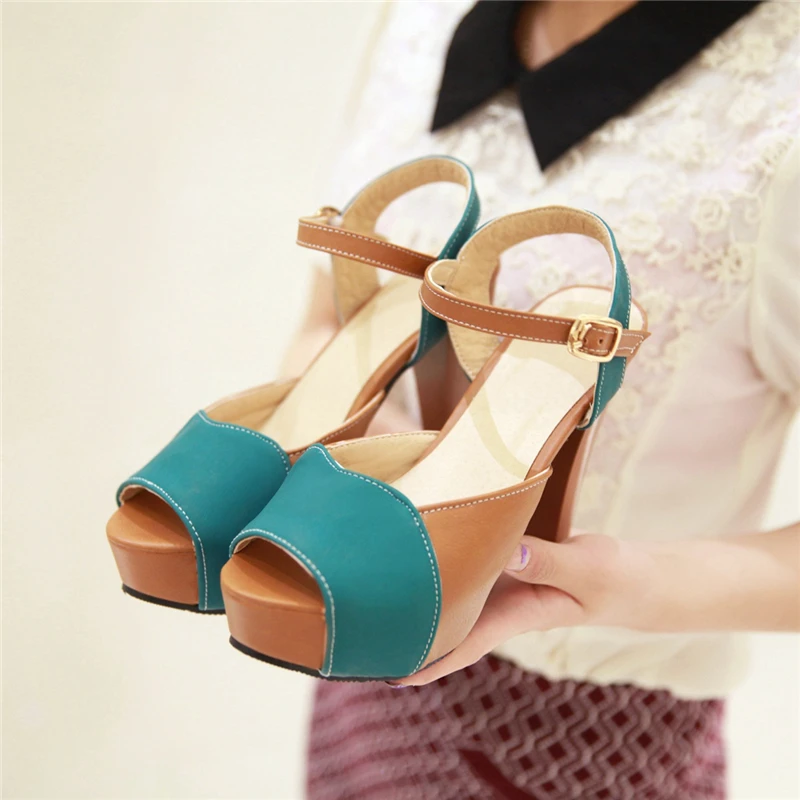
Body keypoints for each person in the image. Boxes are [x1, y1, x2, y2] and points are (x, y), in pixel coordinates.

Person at [285, 2, 800, 797]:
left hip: (593, 742)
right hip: (358, 652)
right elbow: (327, 317)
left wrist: (626, 582)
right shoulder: (416, 18)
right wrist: (340, 457)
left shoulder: (780, 106)